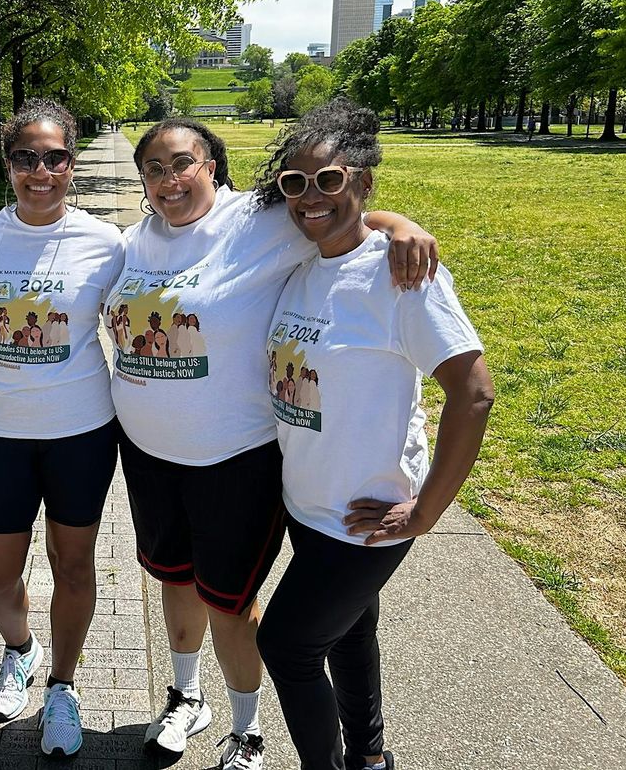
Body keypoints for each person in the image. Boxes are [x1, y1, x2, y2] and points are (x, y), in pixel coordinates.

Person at [103, 118, 438, 770]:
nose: (170, 180)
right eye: (154, 170)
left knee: (229, 601)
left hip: (234, 461)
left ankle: (247, 730)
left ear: (212, 166)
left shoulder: (256, 221)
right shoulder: (135, 240)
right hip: (148, 456)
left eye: (183, 163)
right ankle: (185, 696)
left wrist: (401, 226)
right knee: (175, 579)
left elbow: (336, 216)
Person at [254, 98, 494, 770]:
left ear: (362, 181)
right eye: (295, 183)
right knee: (349, 635)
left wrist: (425, 512)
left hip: (366, 518)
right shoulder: (301, 267)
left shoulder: (401, 276)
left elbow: (473, 393)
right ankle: (369, 757)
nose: (310, 197)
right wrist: (392, 219)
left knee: (288, 645)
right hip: (307, 507)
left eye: (329, 179)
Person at [0, 98, 125, 759]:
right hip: (2, 431)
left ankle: (63, 685)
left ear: (71, 164)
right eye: (26, 157)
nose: (41, 171)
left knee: (72, 565)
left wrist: (384, 222)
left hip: (81, 431)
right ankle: (20, 648)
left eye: (54, 158)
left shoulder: (105, 243)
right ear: (8, 164)